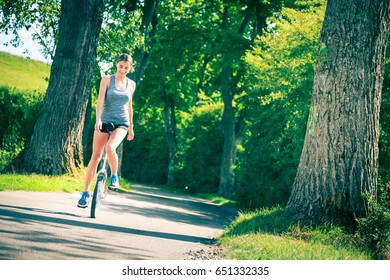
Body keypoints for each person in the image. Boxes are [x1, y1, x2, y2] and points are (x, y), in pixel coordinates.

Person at [78, 53, 136, 208]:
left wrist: (131, 127)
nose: (122, 70)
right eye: (120, 66)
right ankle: (85, 193)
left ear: (130, 68)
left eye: (126, 67)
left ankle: (114, 176)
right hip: (104, 120)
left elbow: (129, 106)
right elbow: (100, 101)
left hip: (122, 123)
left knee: (110, 148)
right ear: (116, 64)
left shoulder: (131, 84)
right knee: (96, 157)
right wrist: (98, 120)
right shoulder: (106, 80)